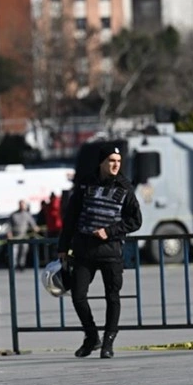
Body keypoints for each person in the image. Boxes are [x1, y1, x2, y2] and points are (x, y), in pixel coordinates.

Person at [58, 144, 142, 359]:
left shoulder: (124, 187)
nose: (115, 165)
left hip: (110, 252)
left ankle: (108, 342)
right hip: (84, 251)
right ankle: (91, 336)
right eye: (111, 161)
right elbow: (71, 217)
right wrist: (62, 248)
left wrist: (110, 231)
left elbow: (135, 220)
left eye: (118, 161)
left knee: (112, 297)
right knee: (78, 296)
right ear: (102, 163)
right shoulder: (86, 183)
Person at [8, 200, 39, 271]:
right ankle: (13, 265)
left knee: (23, 251)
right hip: (15, 237)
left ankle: (21, 265)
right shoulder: (13, 214)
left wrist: (35, 228)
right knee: (14, 252)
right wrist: (9, 233)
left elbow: (33, 224)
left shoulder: (27, 215)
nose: (22, 206)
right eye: (20, 204)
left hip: (24, 236)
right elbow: (9, 226)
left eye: (23, 205)